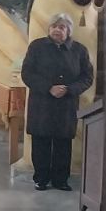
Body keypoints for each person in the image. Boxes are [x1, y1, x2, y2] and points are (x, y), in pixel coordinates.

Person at [21, 13, 94, 191]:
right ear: (49, 29)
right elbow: (27, 73)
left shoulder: (79, 50)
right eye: (54, 26)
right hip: (42, 103)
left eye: (61, 27)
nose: (57, 30)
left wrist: (69, 89)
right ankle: (41, 179)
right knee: (41, 141)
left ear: (69, 31)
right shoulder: (37, 47)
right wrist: (49, 88)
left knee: (63, 143)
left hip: (66, 104)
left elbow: (87, 77)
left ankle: (61, 180)